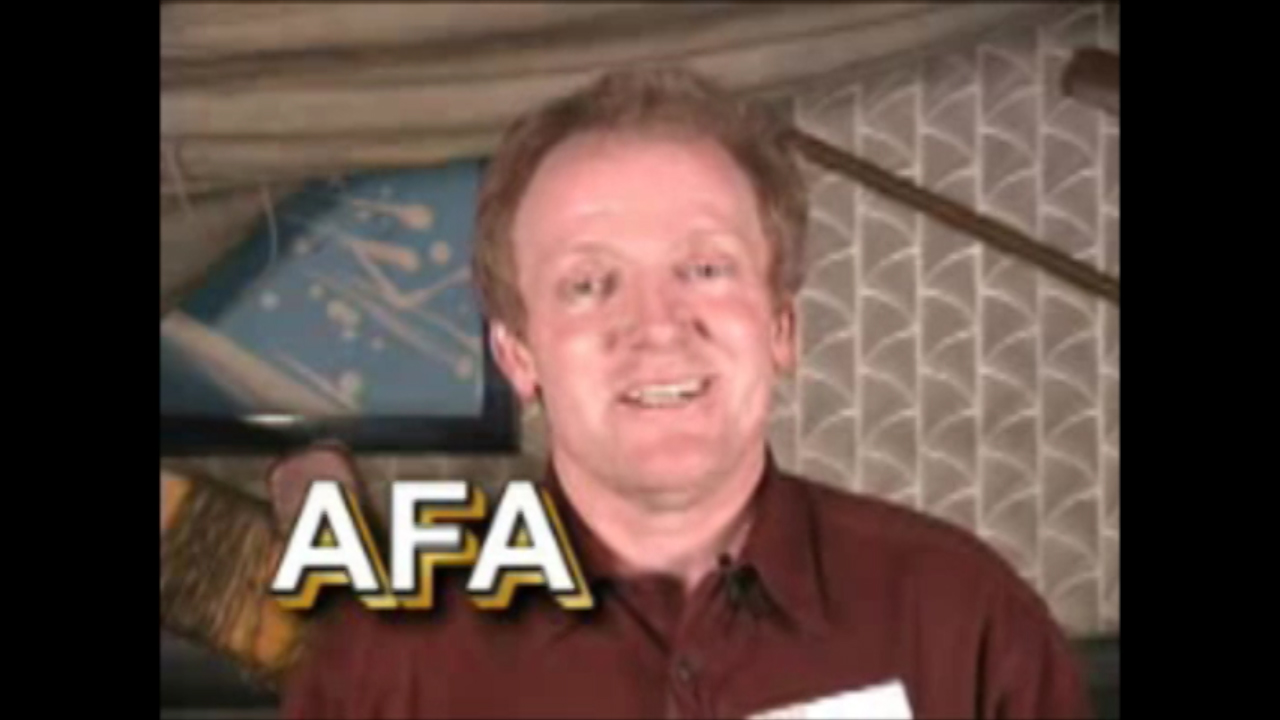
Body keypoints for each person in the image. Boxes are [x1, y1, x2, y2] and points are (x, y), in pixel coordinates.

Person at [279, 65, 1093, 720]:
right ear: (519, 355)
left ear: (781, 328)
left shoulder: (966, 618)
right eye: (590, 283)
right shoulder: (379, 662)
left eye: (704, 268)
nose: (657, 326)